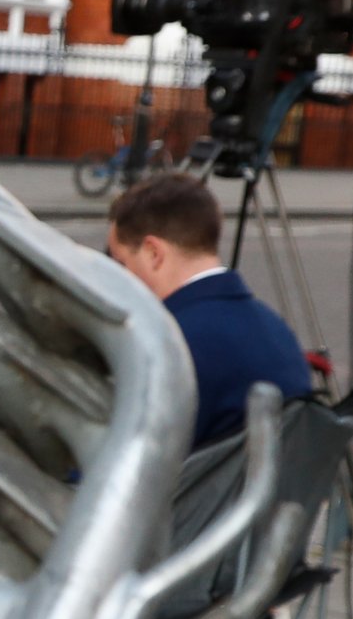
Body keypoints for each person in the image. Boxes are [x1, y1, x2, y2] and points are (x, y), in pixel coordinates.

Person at [105, 174, 314, 447]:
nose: (118, 279)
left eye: (121, 263)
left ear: (153, 253)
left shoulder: (171, 345)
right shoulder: (275, 327)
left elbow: (118, 468)